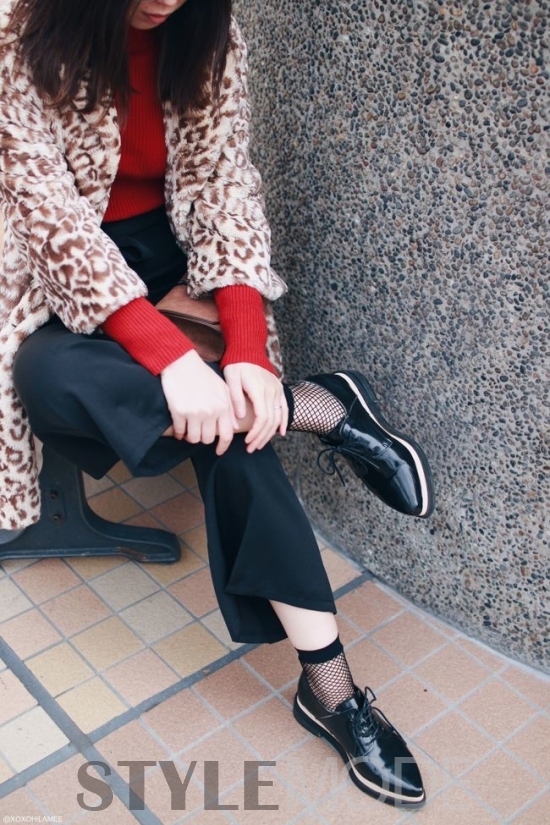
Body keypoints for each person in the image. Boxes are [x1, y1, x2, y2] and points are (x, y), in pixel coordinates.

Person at [0, 0, 434, 808]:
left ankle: (332, 689)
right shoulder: (22, 37)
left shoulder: (206, 32)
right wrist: (171, 361)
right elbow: (52, 222)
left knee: (230, 435)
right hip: (58, 283)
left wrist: (244, 352)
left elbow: (223, 187)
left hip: (173, 262)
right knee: (46, 374)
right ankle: (319, 407)